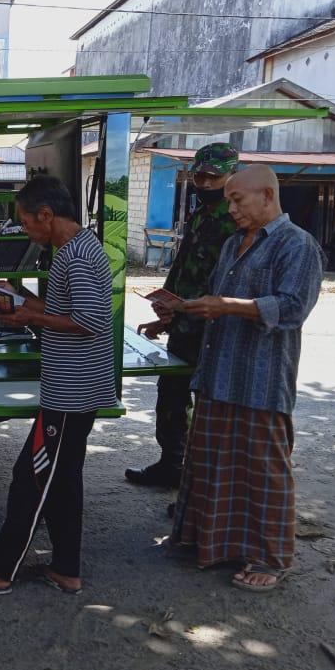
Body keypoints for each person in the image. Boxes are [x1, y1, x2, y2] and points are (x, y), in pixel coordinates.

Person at [0, 175, 115, 600]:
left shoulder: (76, 256)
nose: (25, 231)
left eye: (26, 223)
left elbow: (90, 322)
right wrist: (18, 300)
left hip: (70, 393)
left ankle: (1, 570)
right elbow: (65, 308)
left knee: (31, 479)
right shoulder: (74, 249)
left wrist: (31, 318)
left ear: (46, 215)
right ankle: (66, 569)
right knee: (62, 480)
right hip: (72, 389)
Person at [168, 164, 323, 593]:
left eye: (238, 200)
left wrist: (227, 306)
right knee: (211, 462)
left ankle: (271, 559)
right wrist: (178, 311)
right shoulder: (234, 243)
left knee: (264, 471)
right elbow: (215, 301)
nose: (230, 207)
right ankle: (208, 543)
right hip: (218, 374)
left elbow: (292, 308)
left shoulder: (298, 245)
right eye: (230, 200)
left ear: (268, 197)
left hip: (261, 380)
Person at [127, 143, 238, 488]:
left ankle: (200, 492)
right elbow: (184, 265)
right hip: (185, 324)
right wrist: (167, 311)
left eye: (212, 177)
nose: (204, 183)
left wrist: (188, 311)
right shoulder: (201, 215)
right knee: (172, 398)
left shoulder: (234, 221)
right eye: (199, 176)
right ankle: (172, 465)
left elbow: (227, 281)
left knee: (210, 412)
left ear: (231, 175)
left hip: (215, 330)